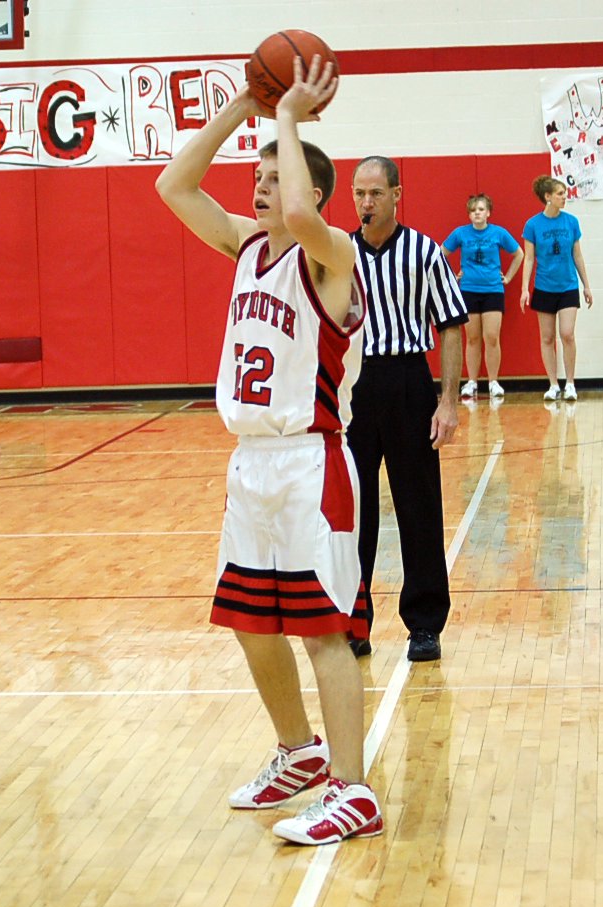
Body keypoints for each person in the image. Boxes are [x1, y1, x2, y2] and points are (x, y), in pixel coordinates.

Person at [155, 58, 381, 847]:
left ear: (313, 193)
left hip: (311, 463)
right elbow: (174, 186)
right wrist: (242, 108)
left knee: (323, 632)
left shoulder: (333, 256)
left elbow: (299, 214)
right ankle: (298, 752)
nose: (260, 188)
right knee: (251, 621)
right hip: (249, 463)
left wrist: (287, 117)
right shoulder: (247, 247)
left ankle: (353, 790)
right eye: (256, 177)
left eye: (276, 177)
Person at [348, 157, 467, 665]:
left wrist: (447, 400)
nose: (366, 203)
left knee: (418, 506)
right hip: (354, 387)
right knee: (351, 511)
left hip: (407, 380)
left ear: (397, 195)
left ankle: (424, 624)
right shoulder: (338, 253)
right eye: (359, 193)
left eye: (375, 193)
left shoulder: (424, 251)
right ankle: (353, 622)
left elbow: (451, 324)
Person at [519, 175, 592, 401]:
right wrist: (524, 288)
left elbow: (577, 255)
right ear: (548, 197)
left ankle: (570, 383)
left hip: (568, 285)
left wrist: (586, 285)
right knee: (547, 338)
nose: (564, 197)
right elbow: (529, 259)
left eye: (564, 193)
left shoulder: (571, 222)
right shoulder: (532, 225)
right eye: (560, 194)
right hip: (544, 287)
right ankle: (553, 384)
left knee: (567, 334)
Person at [443, 194, 523, 400]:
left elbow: (519, 254)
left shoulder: (498, 233)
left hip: (493, 291)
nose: (477, 213)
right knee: (472, 338)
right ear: (469, 214)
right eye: (473, 210)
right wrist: (452, 276)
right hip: (469, 290)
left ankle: (493, 382)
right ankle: (472, 382)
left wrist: (508, 277)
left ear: (488, 213)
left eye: (480, 209)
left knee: (492, 337)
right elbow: (440, 254)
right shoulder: (460, 233)